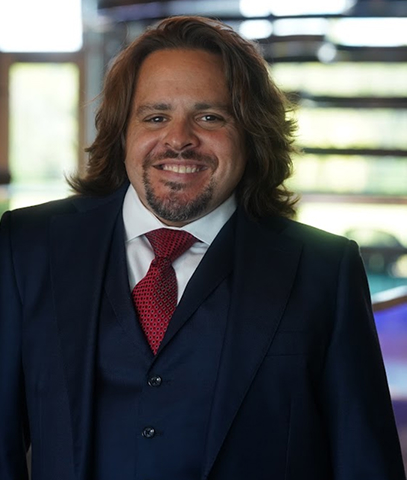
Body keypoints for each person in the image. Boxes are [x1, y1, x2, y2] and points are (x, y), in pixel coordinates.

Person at [0, 15, 405, 480]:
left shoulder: (323, 271)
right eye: (155, 117)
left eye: (209, 117)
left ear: (251, 134)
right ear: (121, 133)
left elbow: (365, 463)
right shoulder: (26, 248)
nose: (178, 139)